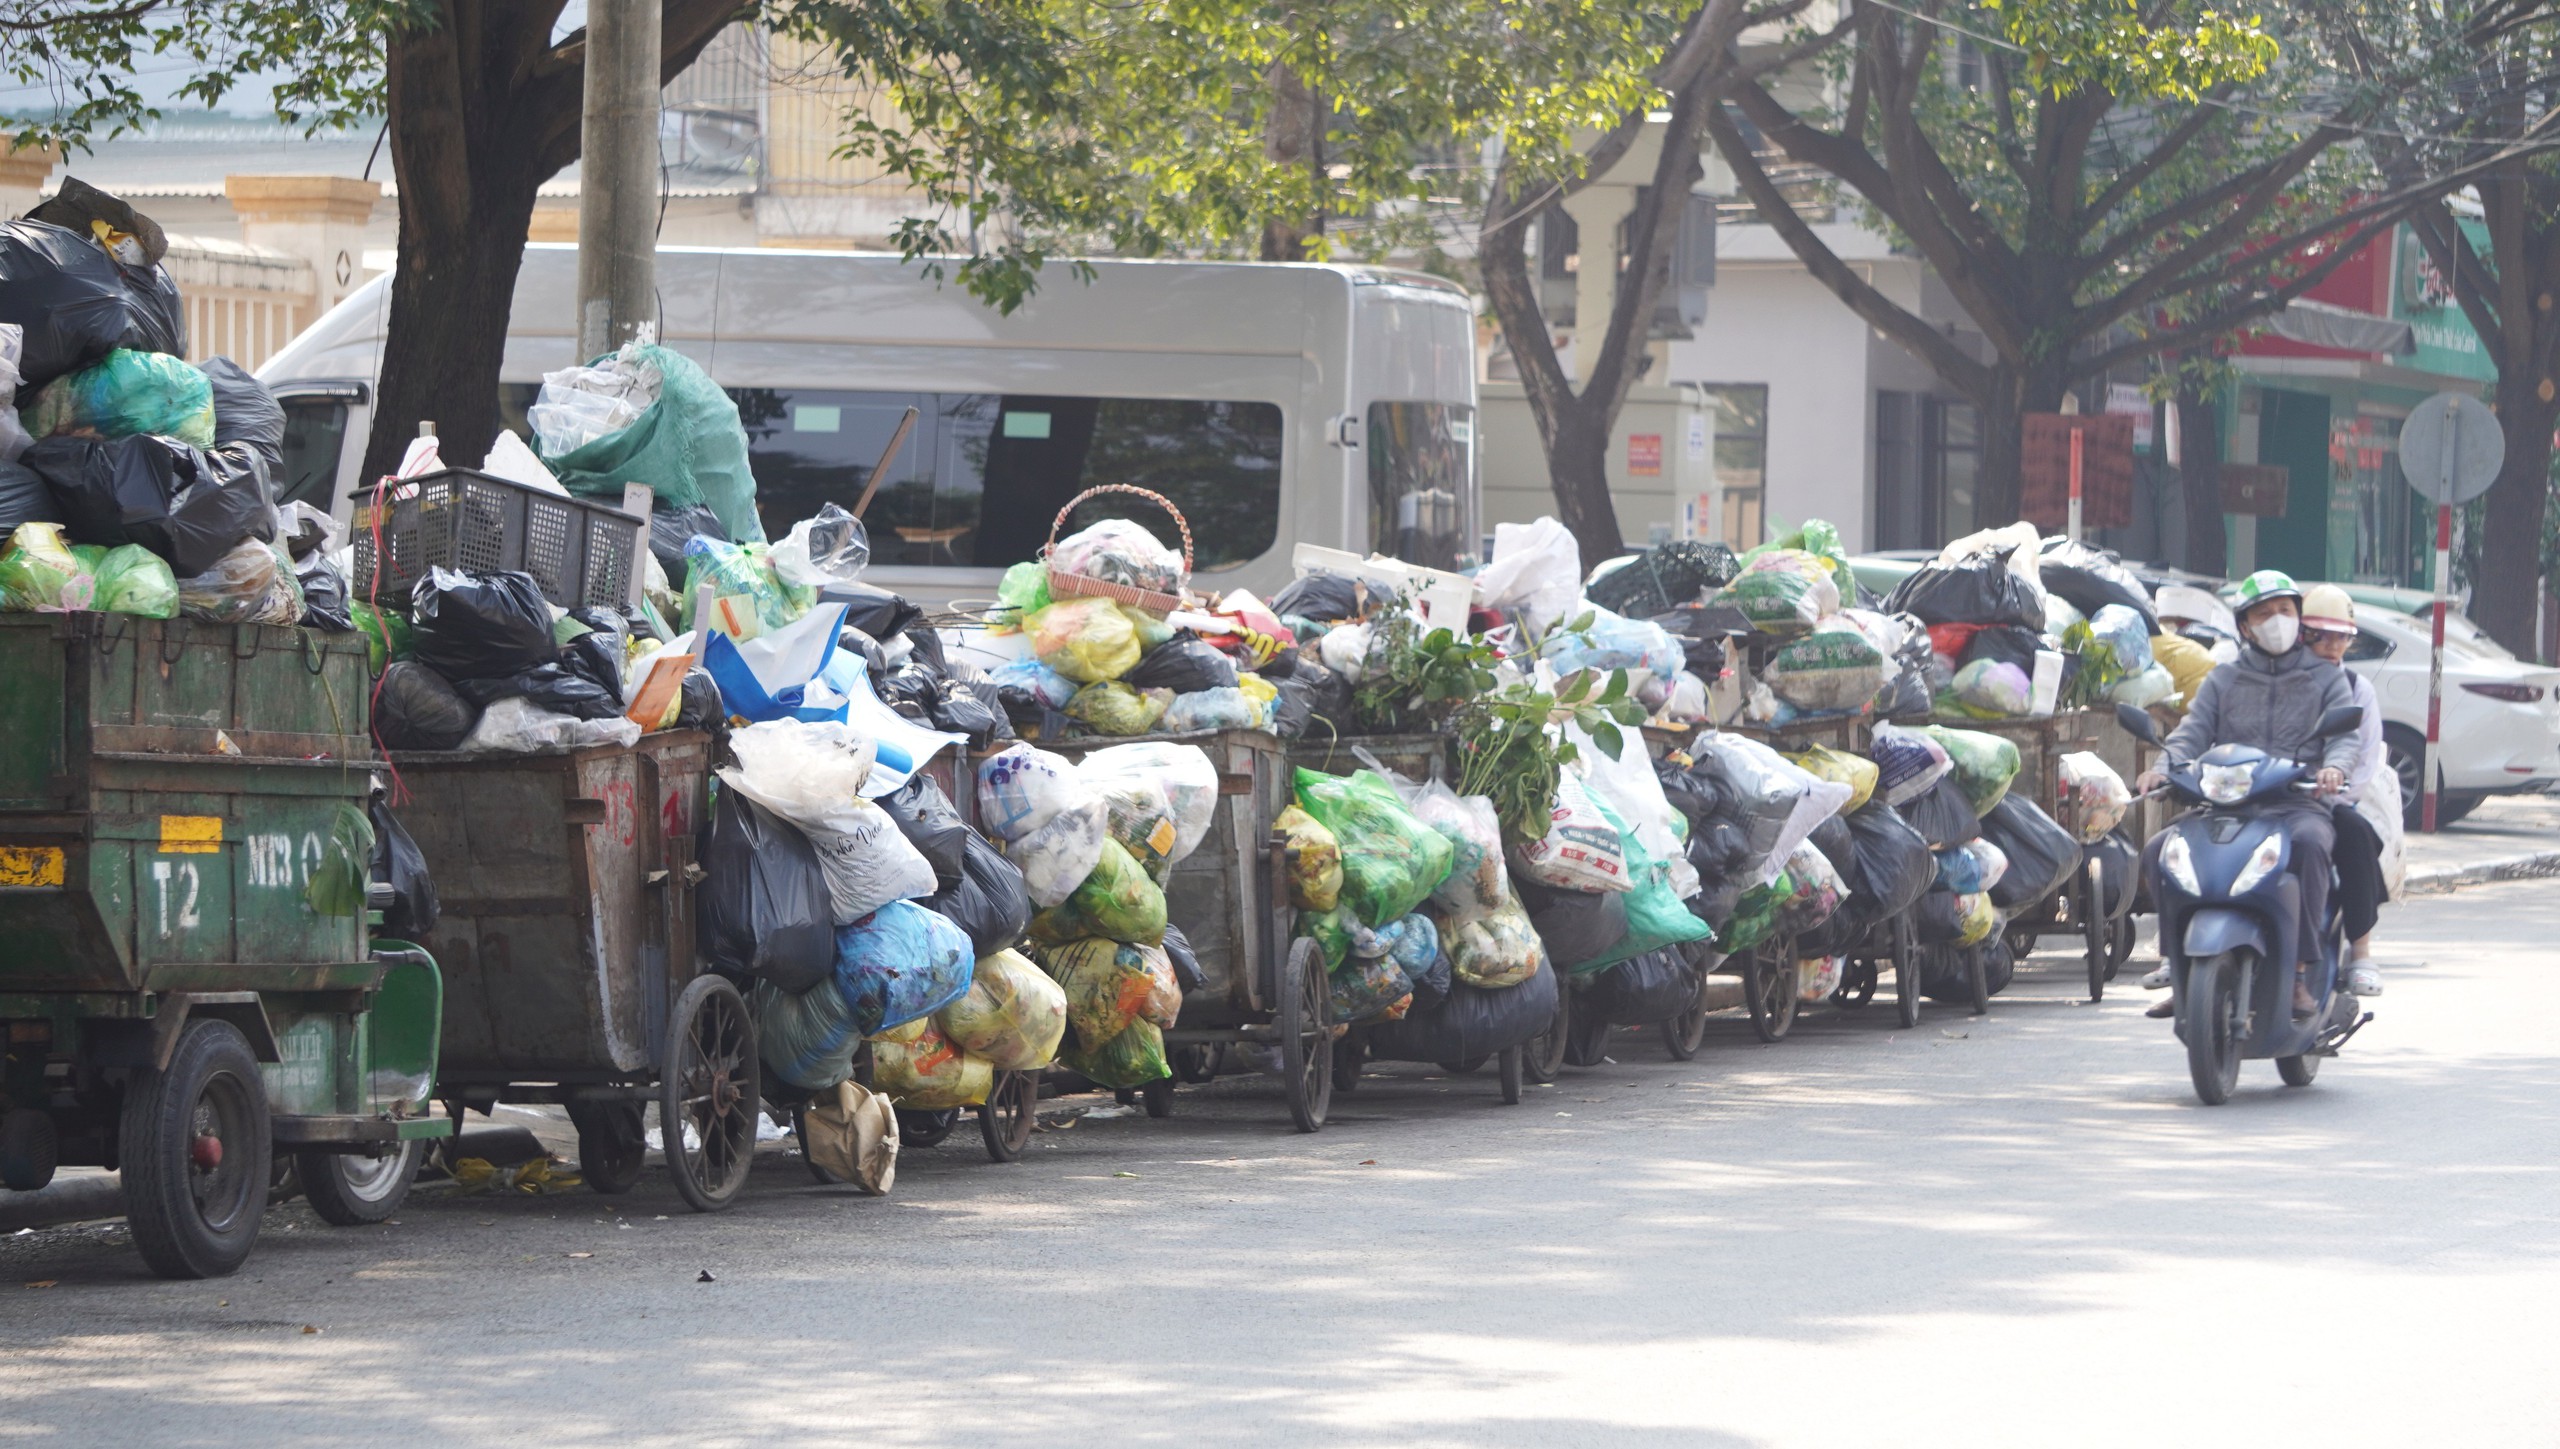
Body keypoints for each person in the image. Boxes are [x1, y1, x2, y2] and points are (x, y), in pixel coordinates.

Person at [2136, 570, 2360, 1019]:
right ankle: (2179, 965)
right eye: (2264, 614)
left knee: (2313, 845)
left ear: (2299, 618)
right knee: (2160, 851)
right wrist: (2161, 769)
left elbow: (2344, 737)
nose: (2277, 621)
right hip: (2226, 805)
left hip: (2296, 804)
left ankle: (2297, 974)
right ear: (2244, 626)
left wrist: (2334, 768)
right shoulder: (2224, 680)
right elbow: (2191, 733)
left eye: (2285, 611)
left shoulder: (2326, 678)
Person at [2299, 584, 2389, 997]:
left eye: (2342, 637)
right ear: (2303, 635)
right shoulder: (2279, 680)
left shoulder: (2357, 690)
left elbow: (2365, 761)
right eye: (2324, 635)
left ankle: (2361, 951)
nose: (2333, 646)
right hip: (2267, 795)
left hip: (2328, 801)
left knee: (2354, 834)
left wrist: (2330, 789)